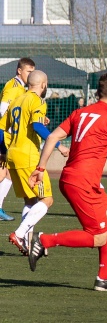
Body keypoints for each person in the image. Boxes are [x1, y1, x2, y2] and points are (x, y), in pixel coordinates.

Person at [26, 73, 107, 291]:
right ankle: (43, 240)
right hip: (82, 182)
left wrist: (41, 167)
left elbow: (52, 137)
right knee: (97, 237)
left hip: (73, 179)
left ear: (97, 92)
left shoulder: (80, 112)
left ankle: (104, 277)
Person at [1, 70, 70, 255]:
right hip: (28, 157)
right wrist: (59, 145)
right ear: (44, 84)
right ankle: (20, 233)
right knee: (47, 200)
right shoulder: (38, 101)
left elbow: (1, 130)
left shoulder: (17, 100)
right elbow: (37, 127)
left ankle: (28, 243)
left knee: (30, 200)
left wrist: (2, 152)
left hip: (12, 156)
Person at [0, 57, 35, 221]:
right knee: (3, 173)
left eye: (33, 72)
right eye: (29, 71)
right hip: (3, 135)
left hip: (9, 136)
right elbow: (2, 110)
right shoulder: (14, 87)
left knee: (7, 174)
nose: (31, 74)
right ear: (19, 71)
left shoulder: (22, 88)